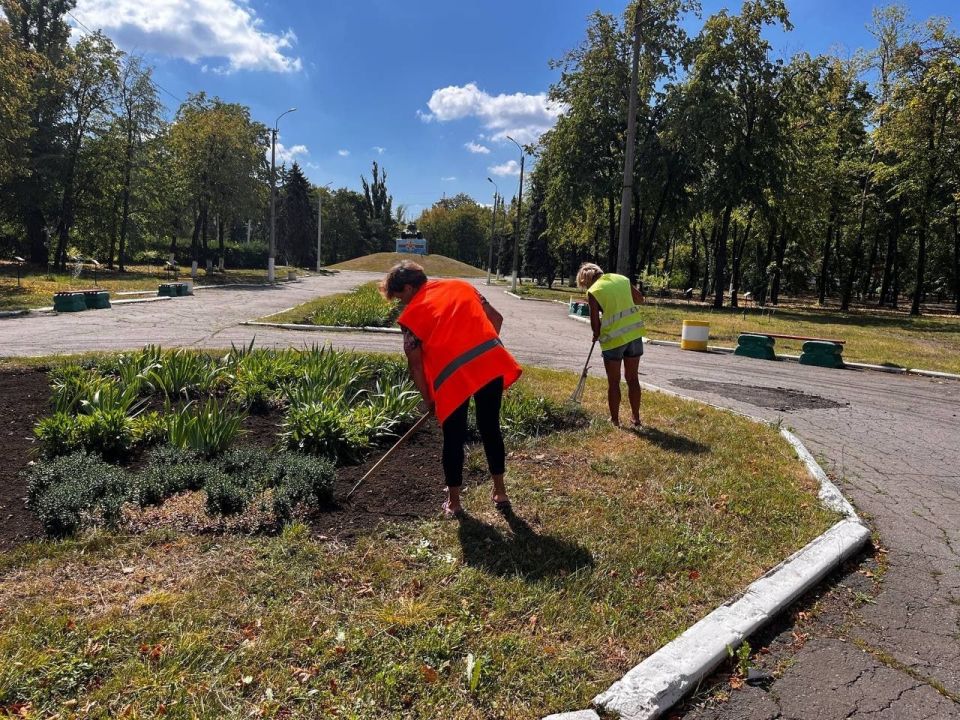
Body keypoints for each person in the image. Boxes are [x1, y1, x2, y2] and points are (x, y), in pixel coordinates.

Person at [380, 260, 522, 518]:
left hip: (451, 381)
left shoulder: (411, 317)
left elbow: (416, 367)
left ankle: (454, 503)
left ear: (410, 288)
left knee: (453, 437)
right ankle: (500, 492)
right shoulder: (463, 286)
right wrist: (482, 351)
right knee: (490, 427)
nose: (403, 305)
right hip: (488, 365)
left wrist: (430, 401)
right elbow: (496, 318)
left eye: (401, 298)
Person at [576, 262, 646, 427]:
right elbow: (639, 299)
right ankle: (636, 418)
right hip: (634, 335)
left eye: (584, 284)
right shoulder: (621, 279)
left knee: (614, 382)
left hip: (613, 340)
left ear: (587, 280)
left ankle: (615, 420)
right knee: (633, 378)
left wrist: (596, 334)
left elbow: (595, 324)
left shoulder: (594, 291)